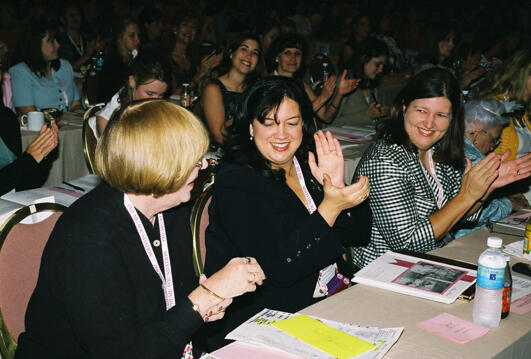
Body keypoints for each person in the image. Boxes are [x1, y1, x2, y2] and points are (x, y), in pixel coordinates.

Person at [16, 100, 266, 358]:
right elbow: (124, 353)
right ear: (160, 165)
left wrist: (205, 307)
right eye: (194, 160)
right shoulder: (88, 239)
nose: (202, 166)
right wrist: (204, 297)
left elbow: (169, 305)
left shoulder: (171, 209)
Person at [201, 76, 372, 350]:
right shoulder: (236, 181)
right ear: (250, 128)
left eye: (291, 123)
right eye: (269, 123)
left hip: (322, 300)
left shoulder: (305, 163)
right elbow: (280, 268)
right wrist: (330, 206)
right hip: (263, 316)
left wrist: (337, 185)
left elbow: (358, 233)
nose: (282, 135)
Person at [352, 68, 531, 267]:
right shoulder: (385, 160)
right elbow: (407, 243)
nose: (429, 123)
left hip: (432, 260)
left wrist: (483, 189)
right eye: (421, 110)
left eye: (441, 115)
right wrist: (467, 195)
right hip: (384, 271)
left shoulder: (439, 151)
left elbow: (460, 216)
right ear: (404, 108)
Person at [456, 98, 531, 237]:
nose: (492, 147)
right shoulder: (475, 160)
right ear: (477, 133)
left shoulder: (449, 146)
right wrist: (508, 204)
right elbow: (474, 213)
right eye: (494, 140)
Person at [475, 48, 531, 180]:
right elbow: (479, 169)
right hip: (501, 187)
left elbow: (525, 158)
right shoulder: (489, 110)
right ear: (521, 75)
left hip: (519, 184)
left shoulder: (522, 113)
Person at [267, 33, 360, 125]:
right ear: (277, 57)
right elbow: (287, 119)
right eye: (287, 53)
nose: (293, 58)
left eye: (297, 54)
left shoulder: (302, 85)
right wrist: (322, 98)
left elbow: (326, 117)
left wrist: (339, 94)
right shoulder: (268, 83)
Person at [89, 50, 171, 139]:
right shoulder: (119, 102)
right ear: (132, 82)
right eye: (150, 93)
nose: (155, 100)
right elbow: (102, 118)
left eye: (161, 95)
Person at [9, 20, 82, 114]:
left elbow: (75, 105)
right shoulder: (20, 72)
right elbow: (30, 113)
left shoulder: (64, 66)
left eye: (57, 40)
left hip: (68, 126)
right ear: (35, 44)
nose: (58, 45)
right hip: (39, 127)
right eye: (51, 41)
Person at [201, 34, 262, 145]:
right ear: (231, 53)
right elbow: (219, 136)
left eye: (255, 53)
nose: (249, 56)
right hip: (219, 154)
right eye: (244, 49)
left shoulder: (254, 89)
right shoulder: (213, 89)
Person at [331, 36, 389, 127]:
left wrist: (380, 114)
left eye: (383, 66)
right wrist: (368, 115)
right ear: (364, 59)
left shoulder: (372, 84)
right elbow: (331, 123)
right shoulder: (345, 82)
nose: (381, 70)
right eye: (377, 65)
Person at [166, 13, 222, 95]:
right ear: (175, 29)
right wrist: (199, 74)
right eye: (185, 25)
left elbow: (200, 90)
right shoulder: (166, 58)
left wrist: (207, 71)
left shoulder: (193, 57)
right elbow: (174, 95)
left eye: (193, 27)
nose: (189, 30)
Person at [96, 18, 140, 103]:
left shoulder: (136, 59)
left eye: (138, 35)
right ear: (120, 37)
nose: (138, 40)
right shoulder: (112, 63)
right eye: (132, 35)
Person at [58, 2, 100, 72]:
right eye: (71, 15)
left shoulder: (90, 38)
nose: (75, 17)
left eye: (77, 14)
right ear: (63, 20)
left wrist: (100, 54)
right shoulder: (59, 42)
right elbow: (65, 72)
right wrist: (86, 56)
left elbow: (97, 66)